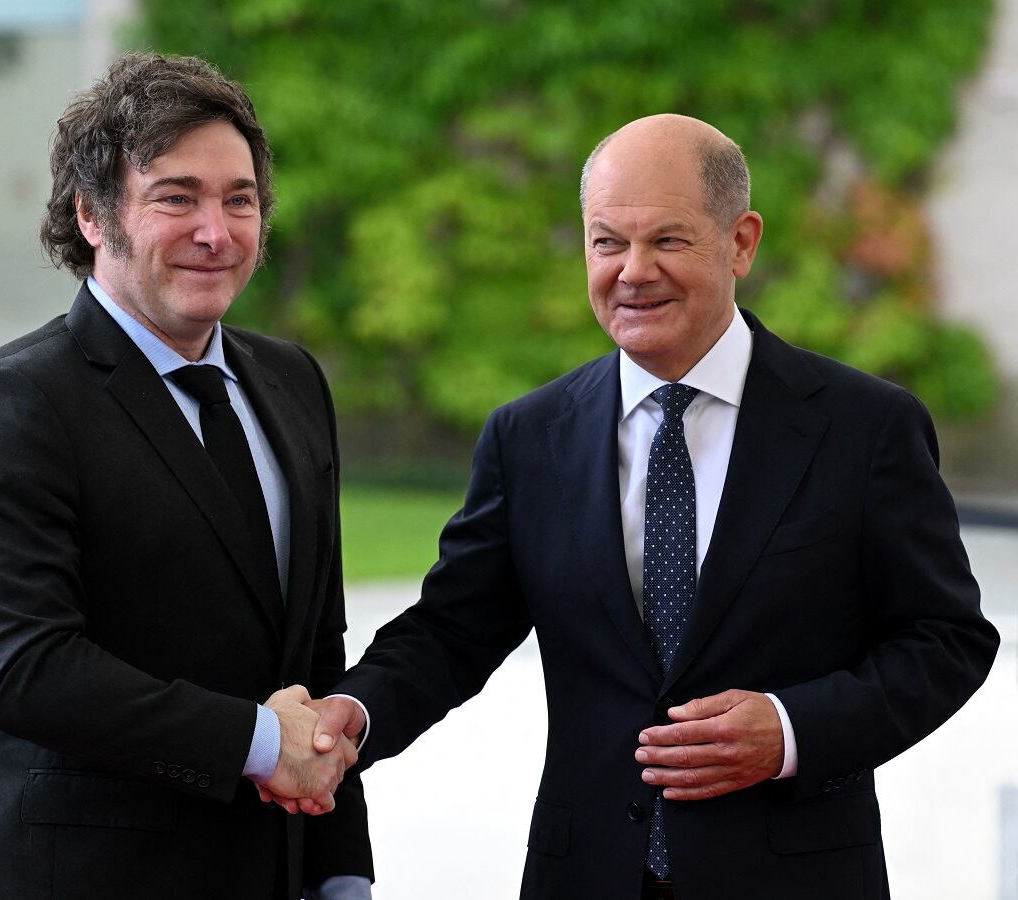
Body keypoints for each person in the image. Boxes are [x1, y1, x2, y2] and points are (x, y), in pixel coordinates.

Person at [295, 114, 999, 899]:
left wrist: (793, 730)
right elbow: (453, 630)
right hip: (585, 875)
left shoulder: (864, 428)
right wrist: (352, 714)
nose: (632, 271)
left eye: (667, 241)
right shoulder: (529, 437)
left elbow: (946, 641)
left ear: (741, 242)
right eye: (606, 243)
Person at [0, 53, 371, 900]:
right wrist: (261, 744)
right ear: (92, 215)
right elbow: (26, 669)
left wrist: (339, 870)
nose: (217, 230)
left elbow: (314, 654)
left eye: (240, 199)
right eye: (177, 197)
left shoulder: (293, 382)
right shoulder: (7, 405)